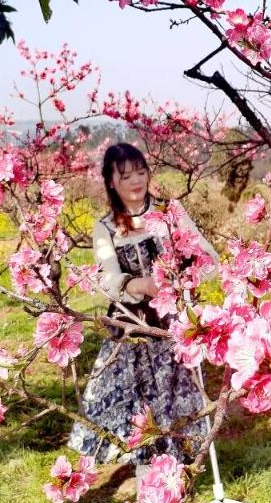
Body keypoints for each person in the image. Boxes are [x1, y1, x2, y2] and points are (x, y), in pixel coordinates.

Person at [67, 143, 216, 468]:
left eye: (140, 172)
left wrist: (185, 277)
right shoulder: (105, 227)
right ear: (111, 182)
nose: (135, 181)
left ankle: (181, 461)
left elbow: (208, 256)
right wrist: (141, 285)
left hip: (174, 319)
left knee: (176, 391)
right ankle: (148, 470)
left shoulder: (169, 211)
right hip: (132, 321)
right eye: (125, 175)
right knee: (137, 398)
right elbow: (109, 279)